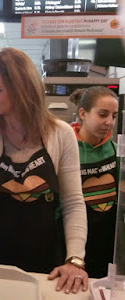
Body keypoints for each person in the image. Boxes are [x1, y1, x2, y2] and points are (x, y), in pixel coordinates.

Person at [0, 48, 88, 294]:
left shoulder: (61, 134)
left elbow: (73, 203)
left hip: (45, 266)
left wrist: (75, 260)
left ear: (22, 90)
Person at [69, 86, 118, 279]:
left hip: (107, 241)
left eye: (113, 116)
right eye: (103, 115)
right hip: (73, 240)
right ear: (83, 113)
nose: (109, 122)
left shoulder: (116, 151)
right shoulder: (67, 148)